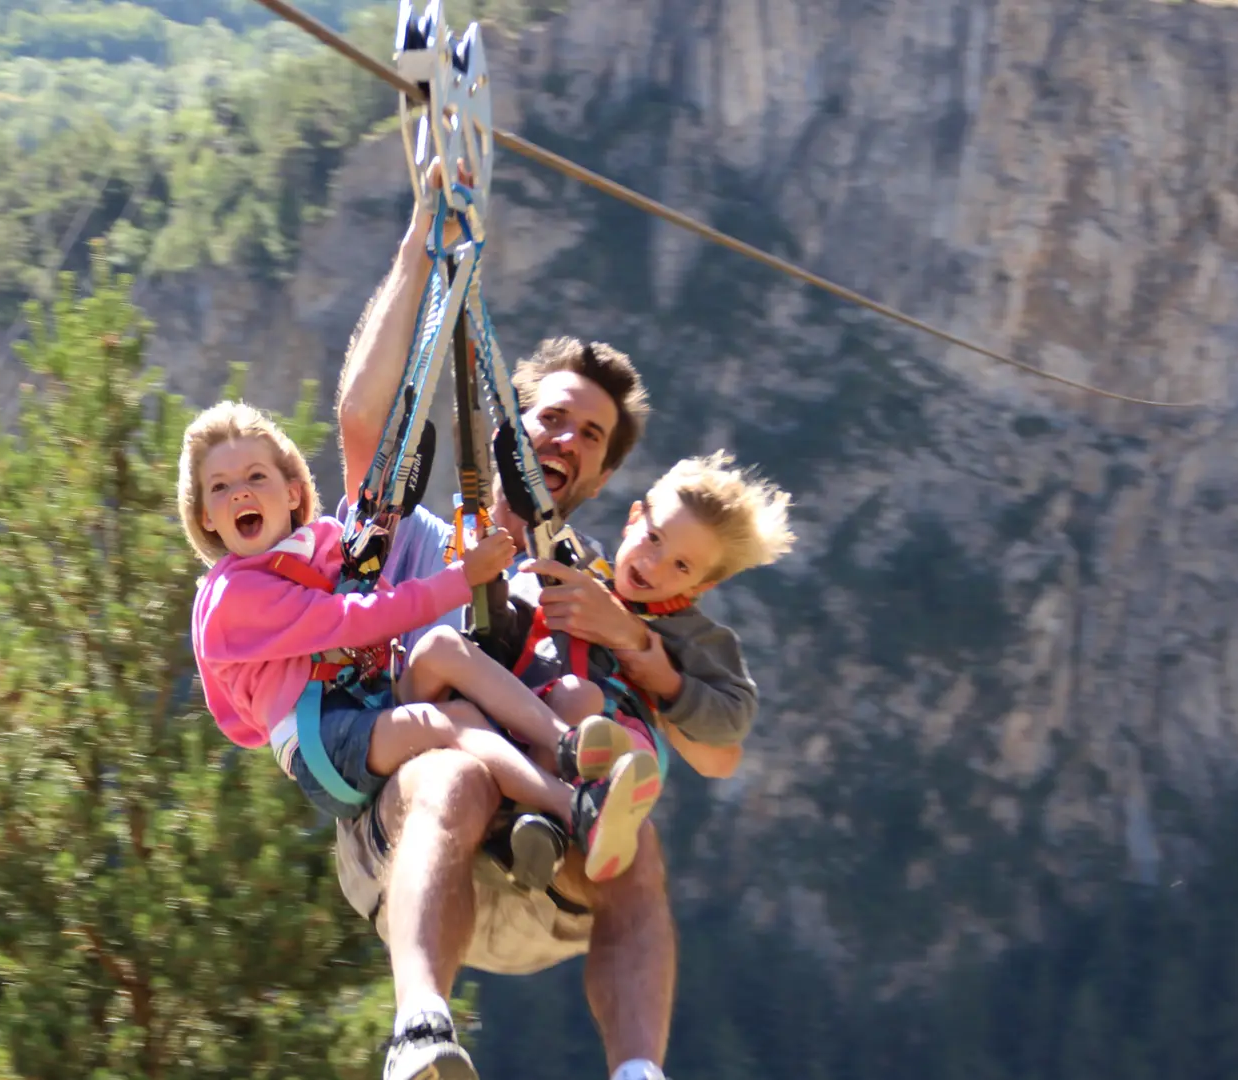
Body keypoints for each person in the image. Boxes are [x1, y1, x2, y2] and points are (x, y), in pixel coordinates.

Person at [328, 178, 755, 1080]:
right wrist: (419, 244)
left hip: (549, 881)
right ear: (508, 431)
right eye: (549, 420)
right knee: (452, 773)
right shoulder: (422, 543)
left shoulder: (611, 590)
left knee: (634, 837)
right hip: (410, 841)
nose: (564, 441)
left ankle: (637, 1072)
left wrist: (634, 643)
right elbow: (363, 422)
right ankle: (421, 1032)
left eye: (589, 436)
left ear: (602, 476)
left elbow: (719, 750)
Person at [179, 400, 663, 883]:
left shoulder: (322, 547)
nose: (240, 492)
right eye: (220, 487)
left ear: (292, 493)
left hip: (369, 700)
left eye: (255, 476)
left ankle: (565, 743)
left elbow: (377, 597)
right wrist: (461, 579)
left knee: (441, 648)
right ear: (206, 519)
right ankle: (575, 809)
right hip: (324, 739)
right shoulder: (233, 596)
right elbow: (353, 620)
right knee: (445, 721)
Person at [481, 449, 798, 868]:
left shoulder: (696, 636)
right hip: (536, 709)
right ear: (634, 518)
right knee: (570, 696)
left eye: (681, 566)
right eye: (654, 538)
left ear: (702, 585)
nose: (653, 564)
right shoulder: (578, 565)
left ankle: (558, 823)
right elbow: (516, 606)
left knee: (593, 715)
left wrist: (668, 682)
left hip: (617, 734)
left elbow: (732, 718)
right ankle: (538, 823)